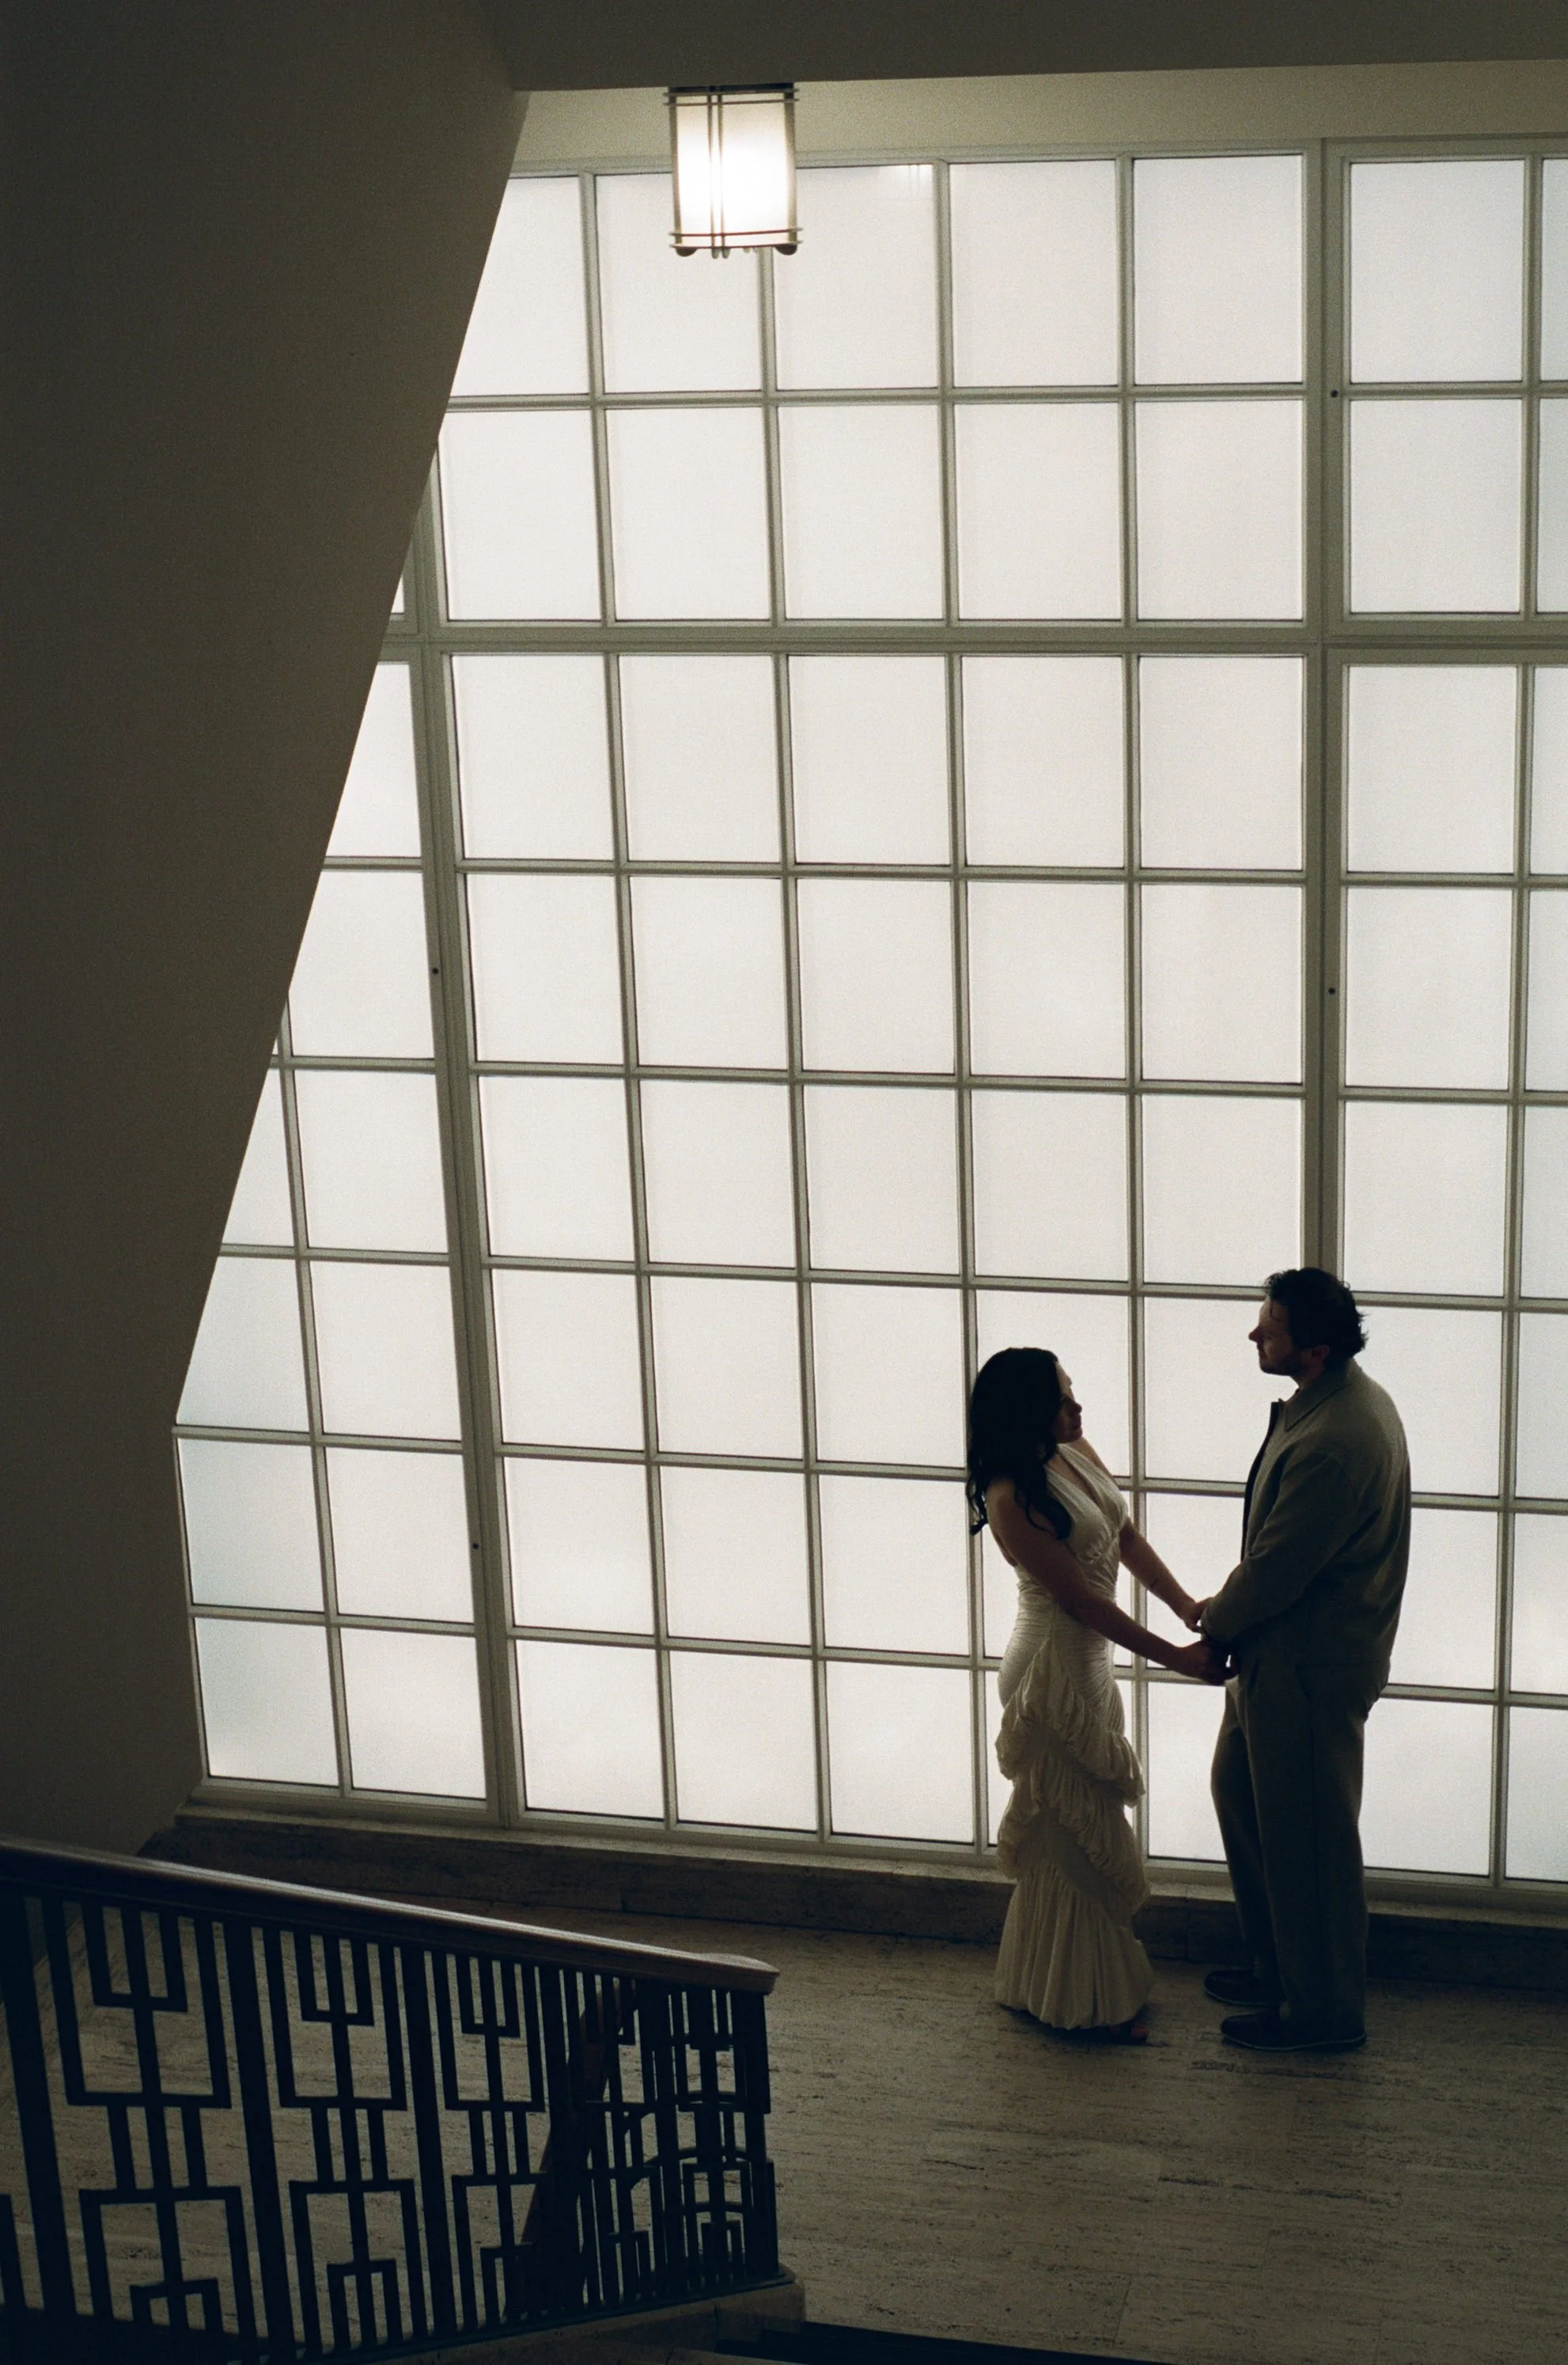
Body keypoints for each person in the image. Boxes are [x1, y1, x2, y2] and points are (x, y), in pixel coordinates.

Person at [970, 1346, 1225, 2045]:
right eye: (1062, 1398)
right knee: (1068, 1835)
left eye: (1073, 1392)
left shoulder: (1071, 1449)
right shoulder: (1008, 1498)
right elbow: (1082, 1602)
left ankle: (1049, 1982)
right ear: (1028, 1411)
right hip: (1049, 1671)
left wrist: (1185, 1608)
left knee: (1082, 1826)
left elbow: (1123, 1532)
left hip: (1088, 1666)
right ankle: (1083, 2002)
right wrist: (1177, 1659)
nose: (1078, 1408)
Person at [1189, 1269, 1411, 2055]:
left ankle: (1321, 2013)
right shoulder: (1331, 1403)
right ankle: (1277, 1966)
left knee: (1309, 1842)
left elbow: (1279, 1565)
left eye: (1268, 1328)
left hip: (1308, 1665)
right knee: (1242, 1795)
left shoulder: (1333, 1440)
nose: (1254, 1335)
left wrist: (1210, 1619)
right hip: (1276, 1654)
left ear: (1311, 1350)